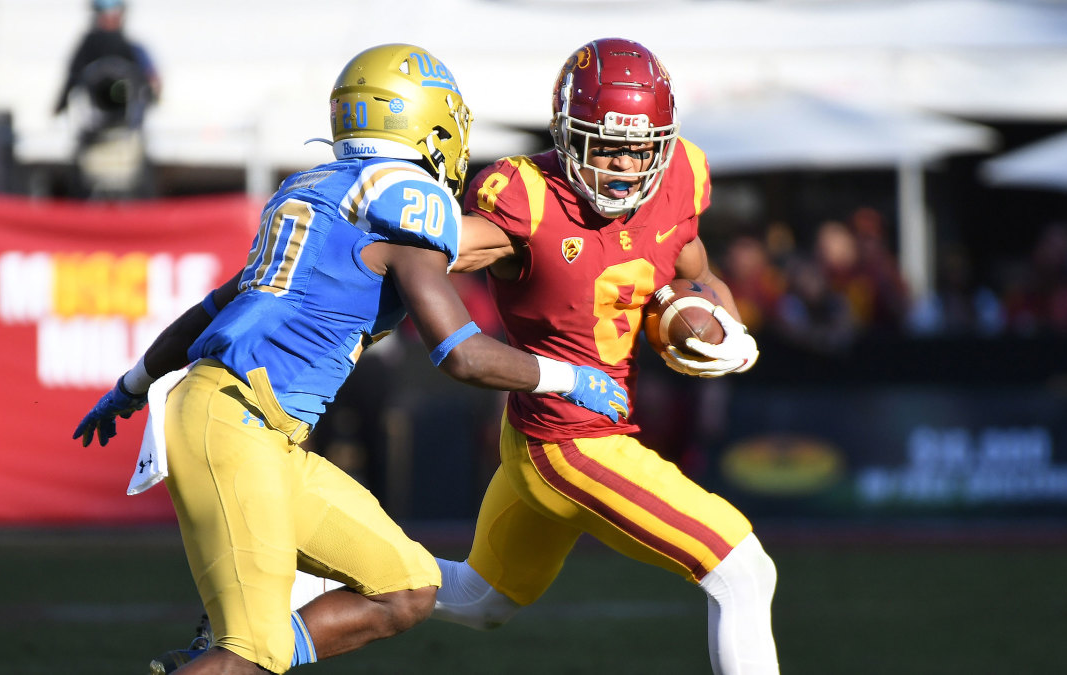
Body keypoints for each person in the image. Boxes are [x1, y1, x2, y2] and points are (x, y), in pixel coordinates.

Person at [72, 43, 629, 675]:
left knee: (407, 587)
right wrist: (568, 377)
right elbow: (461, 354)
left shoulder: (311, 190)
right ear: (431, 123)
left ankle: (238, 647)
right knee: (247, 655)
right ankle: (238, 651)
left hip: (258, 430)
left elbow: (211, 308)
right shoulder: (405, 206)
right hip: (235, 423)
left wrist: (132, 382)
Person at [291, 36, 778, 675]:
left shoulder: (682, 175)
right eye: (605, 146)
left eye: (640, 149)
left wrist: (722, 323)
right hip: (569, 440)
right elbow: (421, 255)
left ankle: (296, 598)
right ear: (567, 136)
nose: (625, 167)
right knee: (743, 570)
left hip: (542, 438)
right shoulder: (527, 196)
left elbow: (694, 271)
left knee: (477, 599)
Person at [53, 0, 161, 198]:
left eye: (113, 14)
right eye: (103, 14)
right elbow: (71, 82)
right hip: (92, 138)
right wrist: (60, 106)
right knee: (84, 187)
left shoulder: (133, 50)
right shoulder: (86, 50)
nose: (108, 20)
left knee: (137, 186)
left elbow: (152, 89)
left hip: (127, 137)